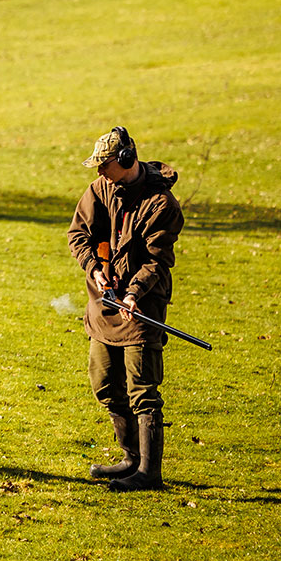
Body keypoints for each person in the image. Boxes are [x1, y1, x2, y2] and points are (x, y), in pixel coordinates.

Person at [67, 126, 184, 491]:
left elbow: (157, 260)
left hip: (141, 306)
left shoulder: (162, 205)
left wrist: (133, 293)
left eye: (104, 165)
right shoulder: (100, 188)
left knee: (143, 390)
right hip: (104, 305)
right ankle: (130, 459)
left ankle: (149, 473)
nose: (99, 173)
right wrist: (94, 268)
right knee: (104, 384)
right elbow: (78, 235)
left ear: (126, 160)